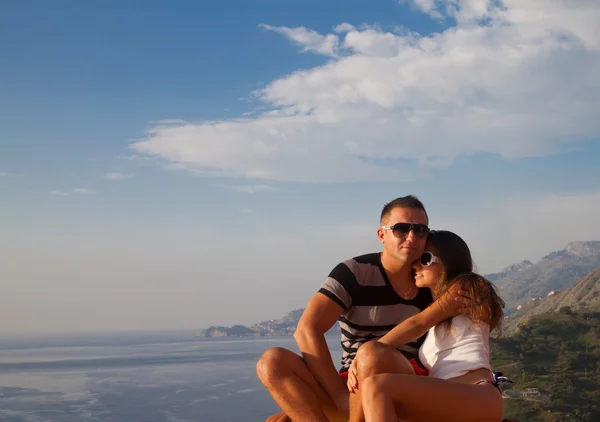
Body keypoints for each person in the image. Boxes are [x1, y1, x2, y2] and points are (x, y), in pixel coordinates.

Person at [256, 196, 470, 422]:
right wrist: (331, 397)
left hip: (401, 385)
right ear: (381, 235)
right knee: (271, 362)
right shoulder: (354, 273)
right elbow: (306, 330)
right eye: (401, 229)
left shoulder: (428, 280)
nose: (412, 237)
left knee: (371, 354)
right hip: (350, 385)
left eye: (420, 230)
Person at [348, 230, 508, 422]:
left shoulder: (470, 286)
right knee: (373, 379)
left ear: (448, 261)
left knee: (377, 385)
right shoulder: (435, 326)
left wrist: (362, 355)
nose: (415, 264)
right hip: (443, 400)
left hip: (476, 393)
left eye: (424, 259)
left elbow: (418, 323)